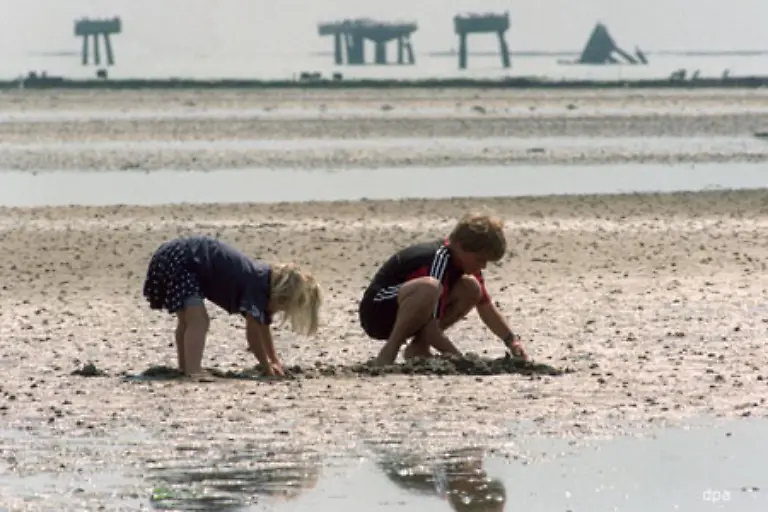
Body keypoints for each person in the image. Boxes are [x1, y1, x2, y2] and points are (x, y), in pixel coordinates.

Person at [358, 212, 528, 366]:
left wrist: (511, 340)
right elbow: (431, 327)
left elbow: (486, 307)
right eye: (479, 260)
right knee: (429, 287)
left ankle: (418, 348)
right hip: (379, 312)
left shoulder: (464, 266)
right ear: (460, 247)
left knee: (471, 288)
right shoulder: (438, 260)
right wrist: (459, 359)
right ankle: (389, 352)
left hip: (412, 312)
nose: (482, 266)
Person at [142, 235, 321, 379]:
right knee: (199, 321)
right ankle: (193, 371)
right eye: (282, 307)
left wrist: (275, 360)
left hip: (171, 254)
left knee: (187, 321)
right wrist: (267, 368)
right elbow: (253, 336)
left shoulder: (260, 278)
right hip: (183, 261)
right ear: (280, 297)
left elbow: (262, 327)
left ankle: (185, 367)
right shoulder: (257, 285)